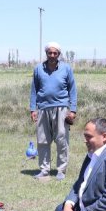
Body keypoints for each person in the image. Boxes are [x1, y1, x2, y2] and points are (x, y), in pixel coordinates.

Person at [29, 41, 77, 181]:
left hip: (62, 108)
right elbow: (34, 90)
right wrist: (33, 109)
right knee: (43, 140)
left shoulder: (66, 69)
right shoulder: (38, 69)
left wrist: (72, 110)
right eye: (50, 53)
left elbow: (72, 90)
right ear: (46, 54)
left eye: (55, 53)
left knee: (62, 139)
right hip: (43, 108)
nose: (52, 55)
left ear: (59, 54)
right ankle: (44, 170)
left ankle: (61, 170)